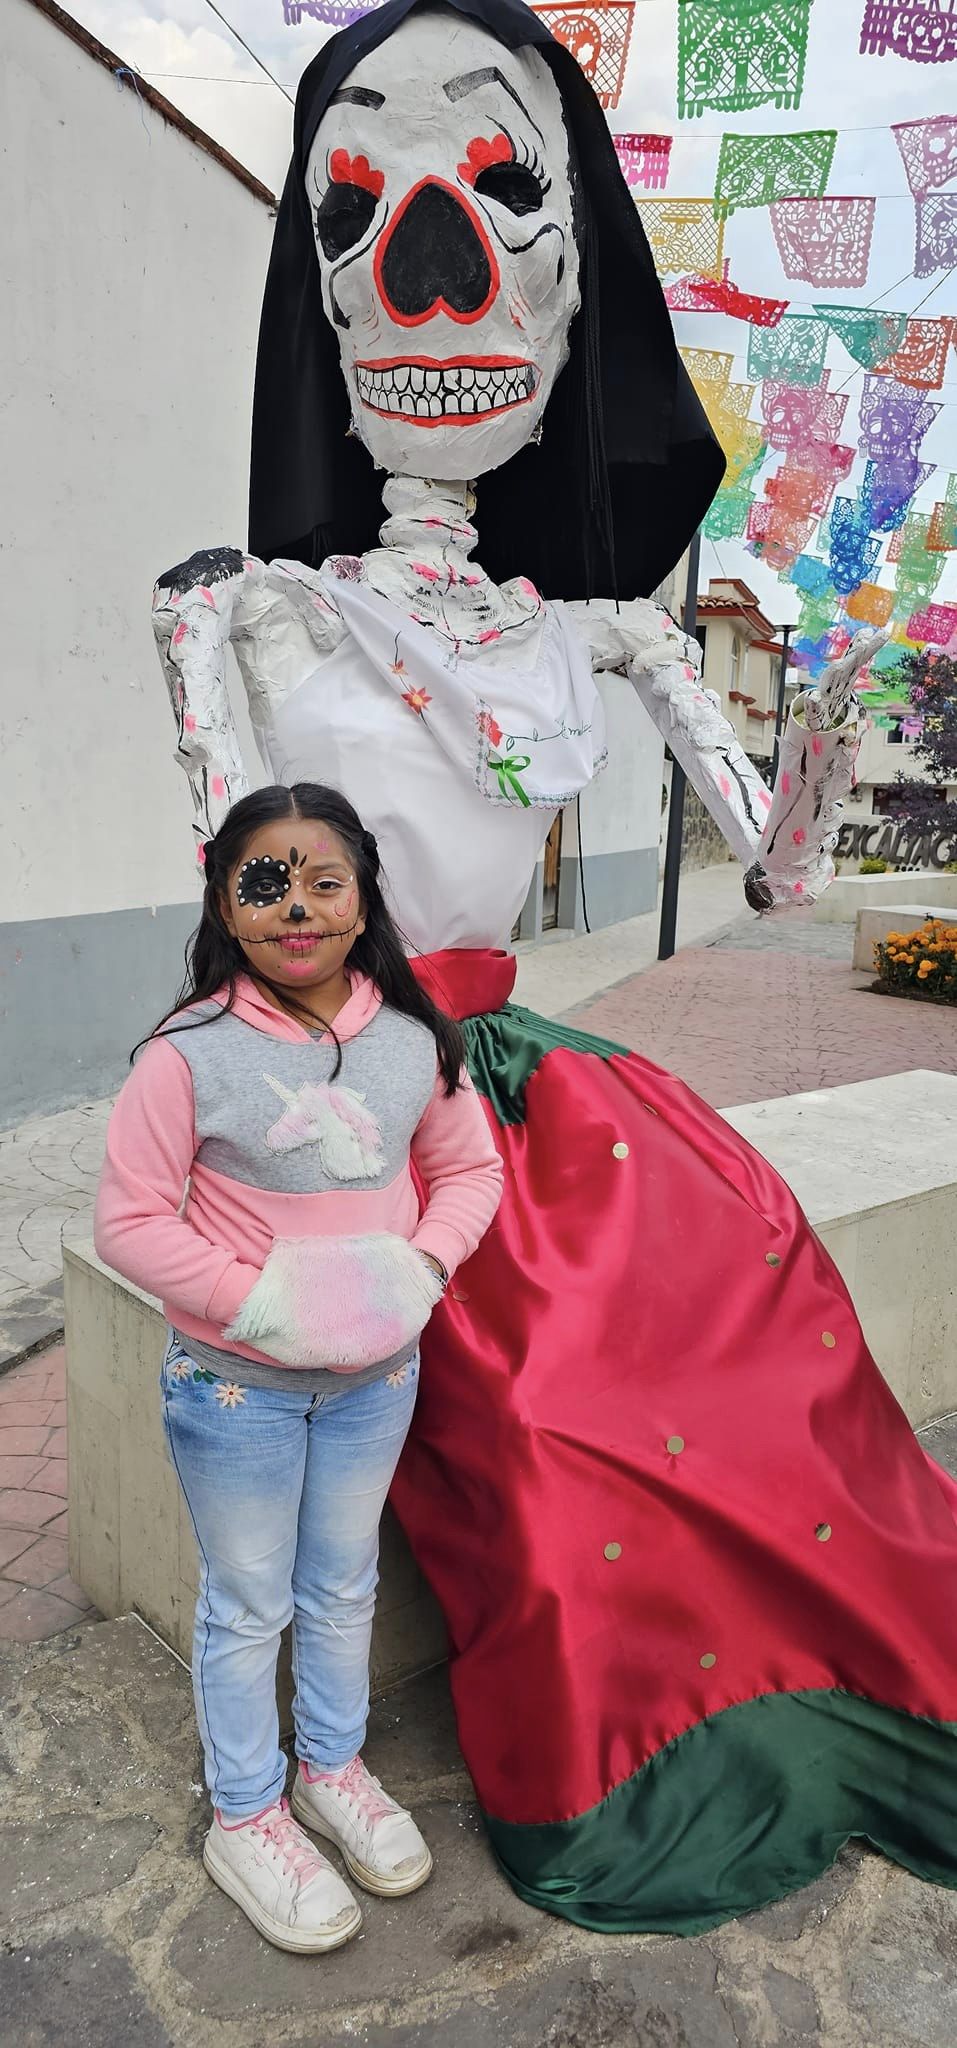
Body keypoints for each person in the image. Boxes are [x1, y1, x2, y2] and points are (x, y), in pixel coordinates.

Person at [146, 0, 957, 1935]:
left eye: (498, 193)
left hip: (521, 1076)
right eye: (365, 210)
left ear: (570, 271)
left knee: (760, 1295)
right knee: (504, 1428)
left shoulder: (597, 638)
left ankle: (777, 1691)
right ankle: (308, 1775)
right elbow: (236, 872)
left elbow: (766, 878)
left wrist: (808, 727)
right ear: (317, 290)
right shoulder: (246, 619)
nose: (432, 268)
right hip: (347, 1095)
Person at [94, 782, 503, 1954]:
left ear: (364, 889)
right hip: (237, 1392)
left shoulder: (412, 1038)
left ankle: (330, 1764)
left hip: (377, 1380)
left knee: (343, 1586)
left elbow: (469, 1170)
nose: (296, 907)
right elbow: (130, 1220)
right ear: (224, 900)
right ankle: (246, 1810)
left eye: (323, 878)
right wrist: (262, 1302)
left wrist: (416, 1270)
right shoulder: (187, 1054)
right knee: (249, 1599)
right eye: (262, 881)